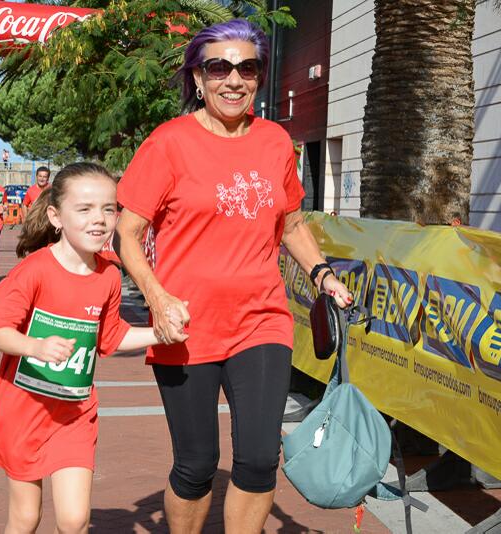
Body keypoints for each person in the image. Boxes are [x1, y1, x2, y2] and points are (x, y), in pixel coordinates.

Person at [115, 19, 353, 534]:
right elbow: (128, 232)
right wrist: (156, 297)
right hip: (185, 326)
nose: (233, 79)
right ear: (197, 79)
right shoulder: (169, 142)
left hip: (260, 320)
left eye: (247, 68)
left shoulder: (274, 141)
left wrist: (322, 274)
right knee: (197, 465)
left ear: (260, 77)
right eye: (218, 67)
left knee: (260, 458)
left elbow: (291, 224)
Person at [0, 162, 180, 534]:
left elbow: (111, 337)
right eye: (85, 209)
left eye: (108, 208)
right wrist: (34, 346)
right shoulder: (34, 271)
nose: (100, 220)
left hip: (75, 413)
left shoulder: (108, 275)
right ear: (56, 217)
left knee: (74, 520)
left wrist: (159, 333)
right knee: (25, 518)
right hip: (24, 412)